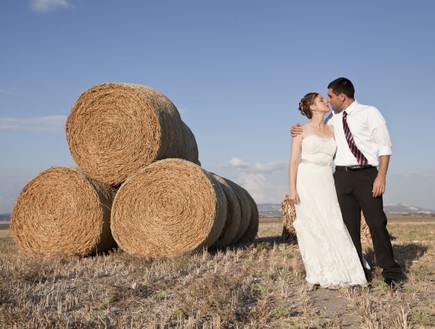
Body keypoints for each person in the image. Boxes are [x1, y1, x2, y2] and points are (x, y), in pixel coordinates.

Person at [291, 77, 405, 289]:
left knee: (377, 223)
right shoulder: (332, 121)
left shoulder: (370, 113)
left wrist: (381, 176)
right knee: (347, 226)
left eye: (330, 96)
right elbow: (311, 135)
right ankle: (357, 270)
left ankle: (391, 271)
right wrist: (296, 130)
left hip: (367, 175)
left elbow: (385, 147)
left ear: (342, 96)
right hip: (340, 178)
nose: (328, 99)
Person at [288, 92, 367, 291]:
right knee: (310, 224)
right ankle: (314, 274)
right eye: (321, 100)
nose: (326, 101)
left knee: (332, 221)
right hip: (307, 178)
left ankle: (342, 270)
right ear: (313, 107)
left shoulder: (333, 127)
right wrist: (292, 189)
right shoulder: (301, 130)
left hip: (326, 177)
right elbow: (294, 161)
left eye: (325, 98)